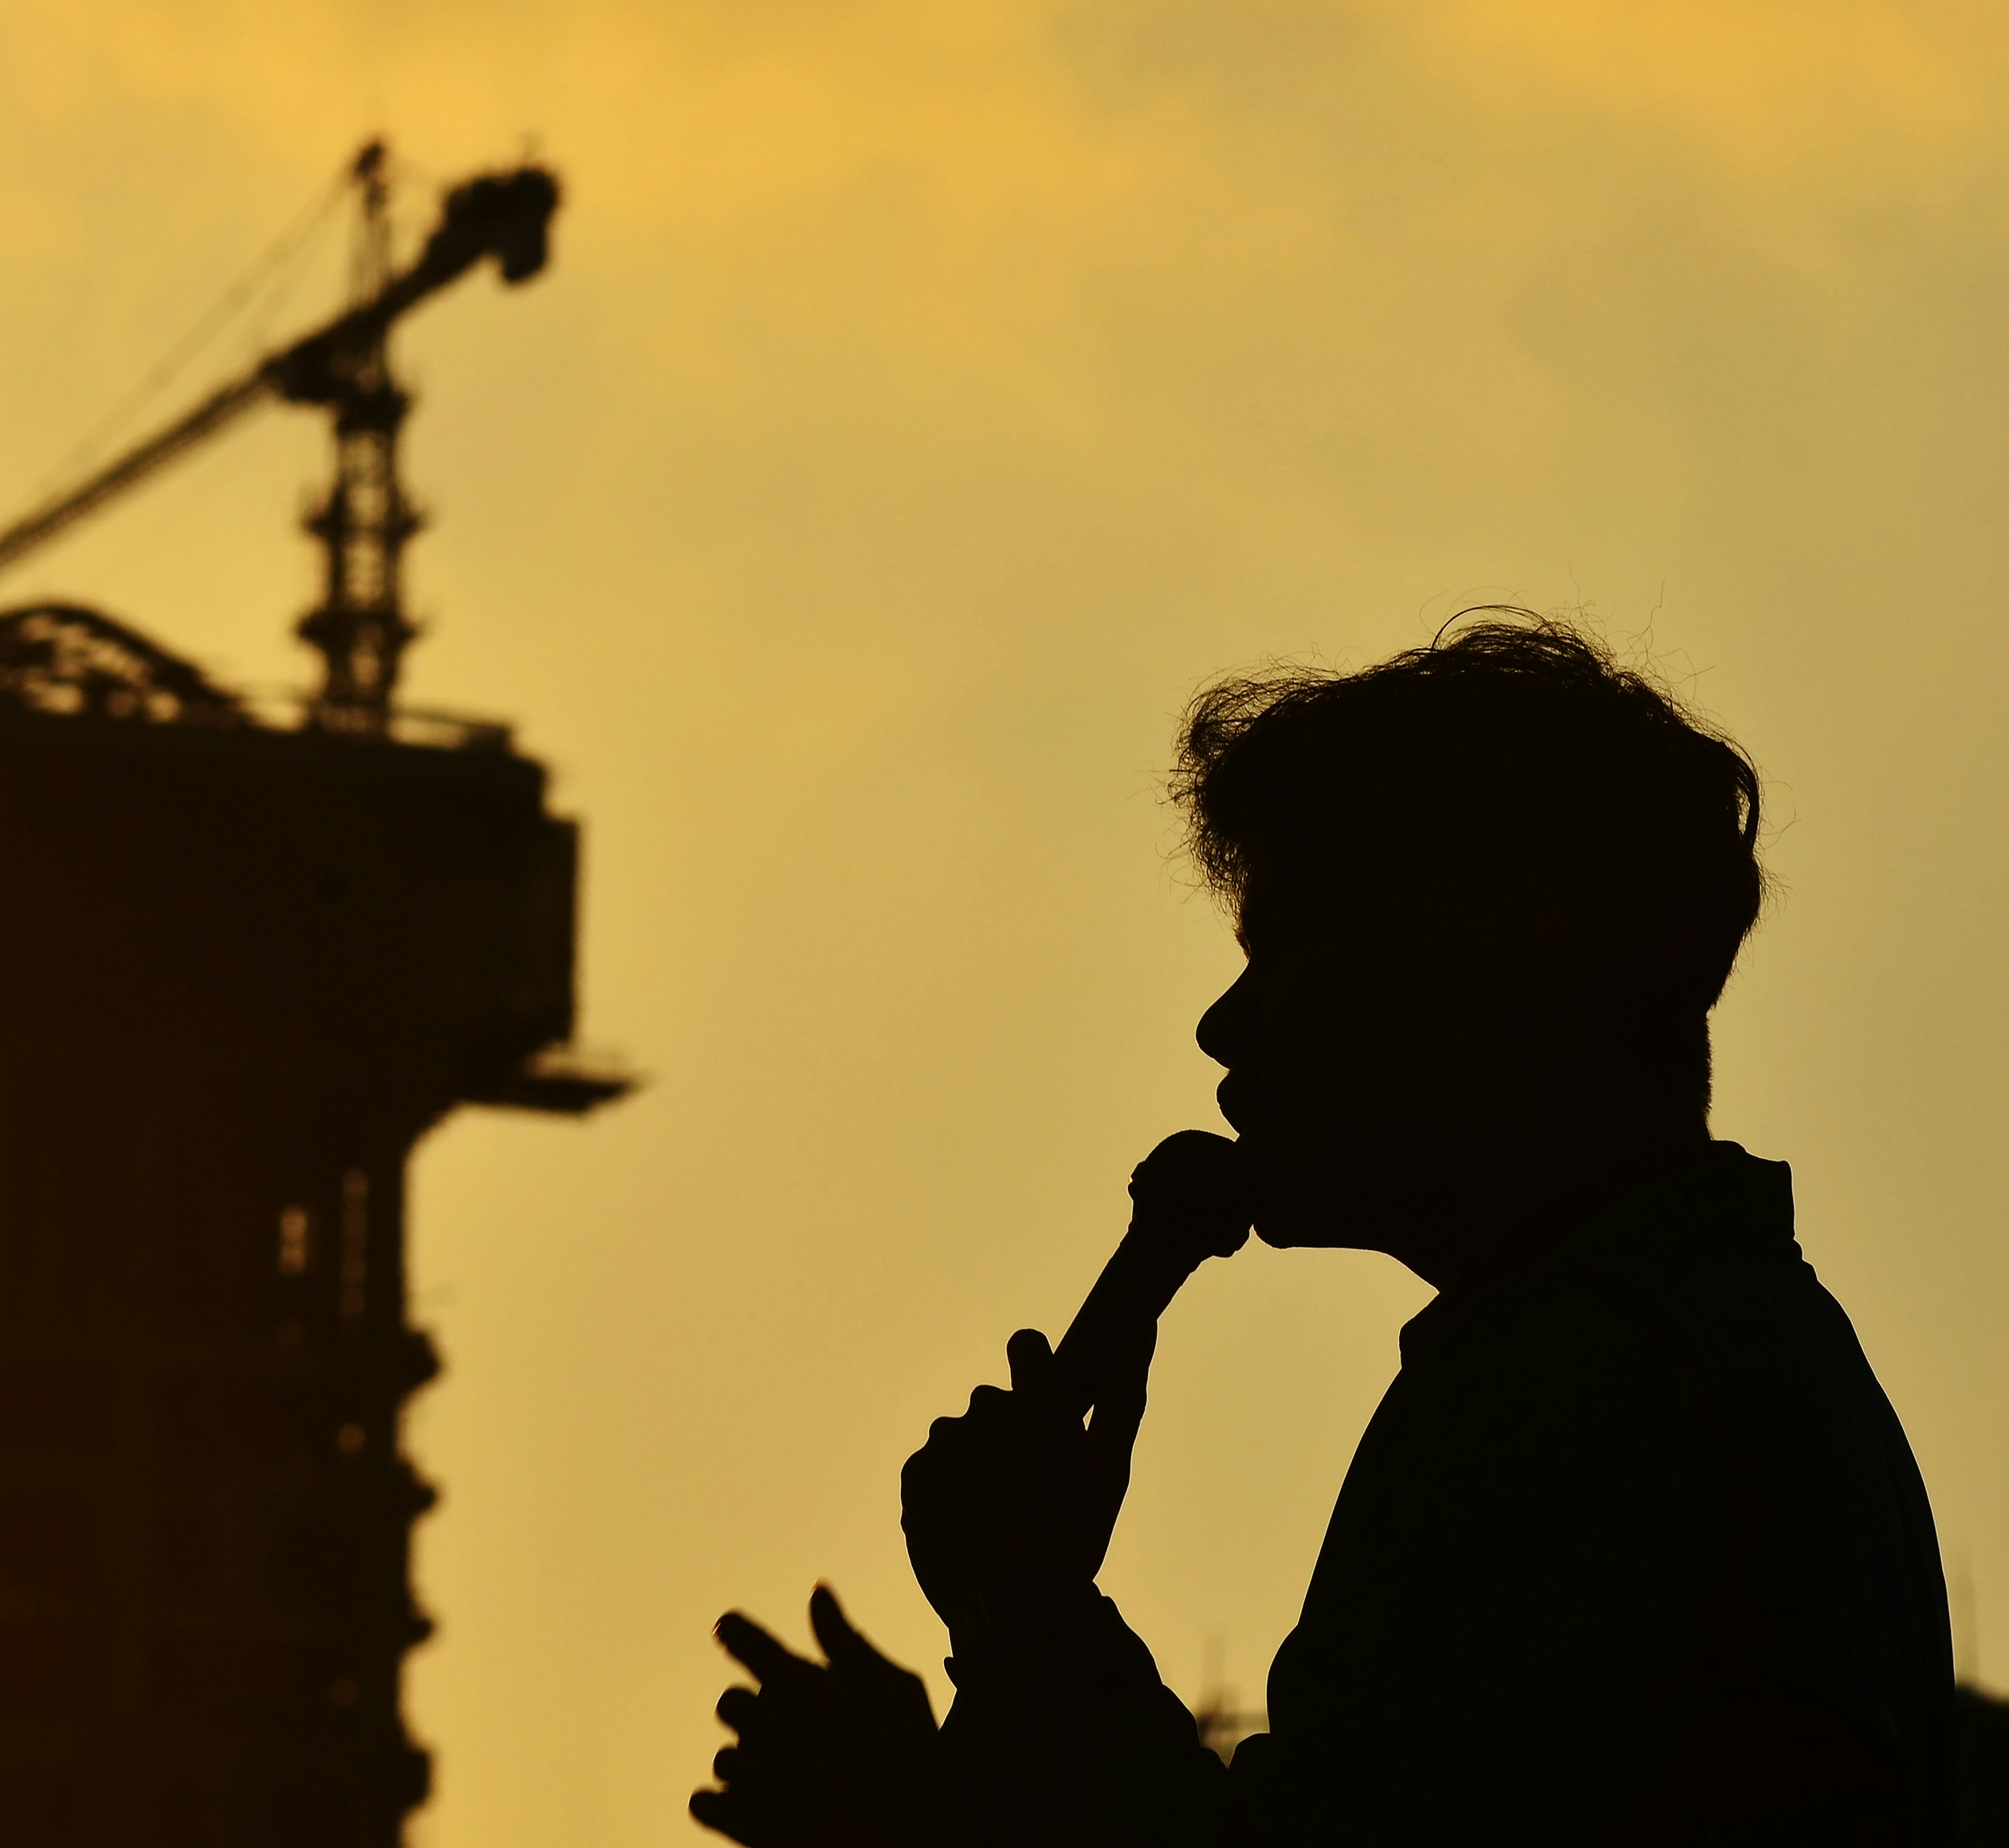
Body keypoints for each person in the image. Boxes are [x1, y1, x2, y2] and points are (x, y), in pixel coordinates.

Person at [690, 616, 1955, 1845]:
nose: (1225, 1030)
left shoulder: (1579, 1394)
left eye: (1288, 954)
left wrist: (1018, 1632)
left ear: (1489, 966)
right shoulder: (1722, 1354)